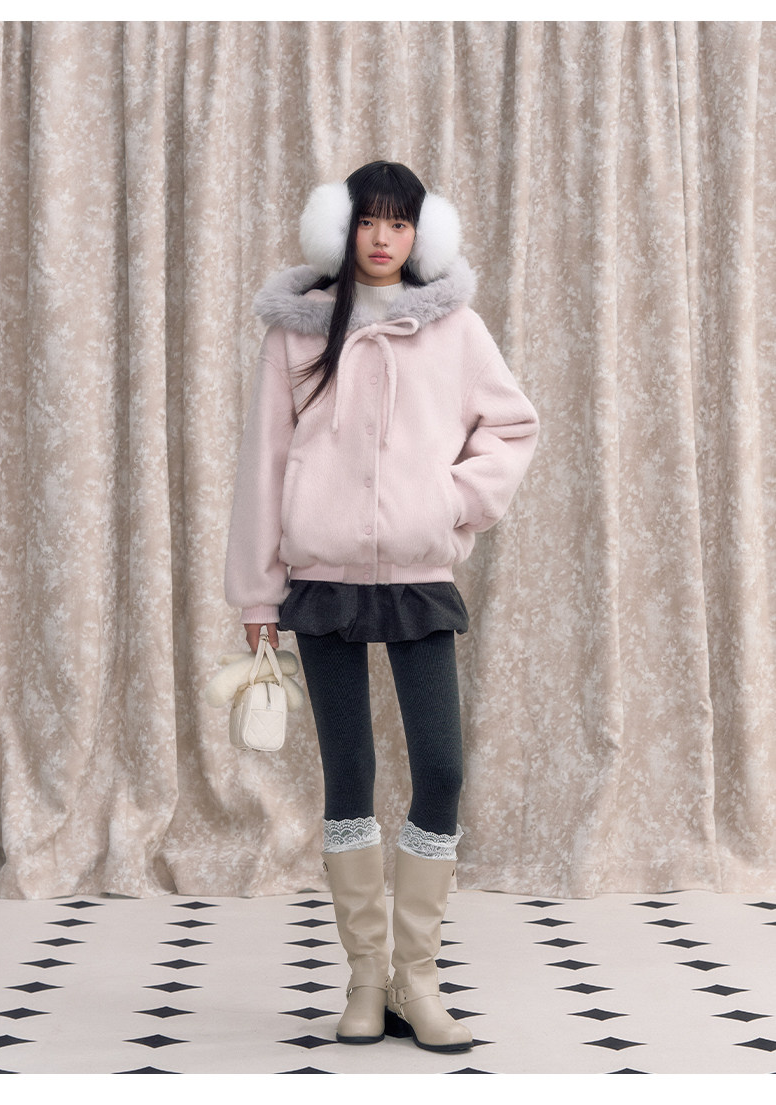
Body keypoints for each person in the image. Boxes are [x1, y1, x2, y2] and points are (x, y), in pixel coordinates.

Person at [225, 161, 539, 1053]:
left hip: (416, 575)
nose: (382, 238)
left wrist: (449, 502)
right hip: (320, 579)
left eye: (400, 223)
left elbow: (512, 426)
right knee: (349, 772)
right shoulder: (297, 331)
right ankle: (367, 978)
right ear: (342, 228)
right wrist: (257, 592)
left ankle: (418, 977)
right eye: (369, 220)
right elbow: (262, 464)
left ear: (420, 234)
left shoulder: (454, 327)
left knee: (440, 768)